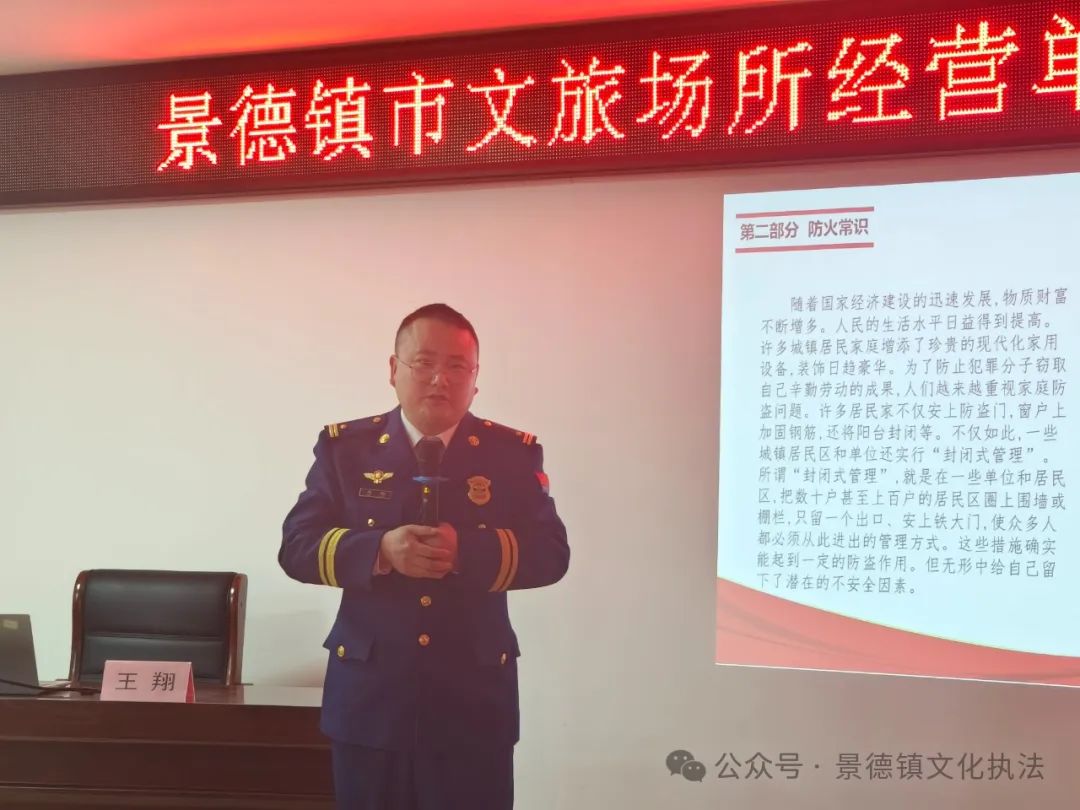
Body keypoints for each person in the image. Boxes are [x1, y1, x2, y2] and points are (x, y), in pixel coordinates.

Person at [279, 303, 569, 809]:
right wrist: (379, 551)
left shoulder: (510, 454)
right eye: (424, 363)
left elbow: (551, 554)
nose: (440, 379)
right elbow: (297, 546)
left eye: (457, 366)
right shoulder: (347, 449)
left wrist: (466, 553)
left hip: (473, 705)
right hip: (370, 701)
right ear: (394, 369)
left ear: (475, 380)